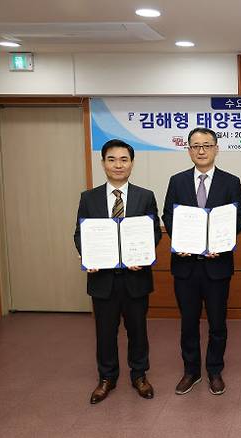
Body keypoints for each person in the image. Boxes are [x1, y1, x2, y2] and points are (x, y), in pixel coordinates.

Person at [74, 139, 162, 404]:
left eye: (124, 159)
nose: (118, 165)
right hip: (102, 279)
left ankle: (139, 375)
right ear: (103, 164)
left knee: (138, 330)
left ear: (131, 163)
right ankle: (107, 378)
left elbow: (153, 232)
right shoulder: (88, 198)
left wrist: (143, 255)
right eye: (112, 159)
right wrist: (87, 254)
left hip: (136, 277)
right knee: (105, 331)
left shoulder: (145, 196)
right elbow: (80, 233)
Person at [162, 127, 241, 396]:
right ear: (188, 150)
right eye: (196, 146)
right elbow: (168, 215)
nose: (201, 150)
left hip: (217, 265)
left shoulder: (231, 181)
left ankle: (214, 370)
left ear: (216, 148)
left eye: (207, 145)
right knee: (188, 322)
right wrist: (182, 241)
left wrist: (220, 243)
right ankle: (191, 371)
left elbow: (240, 216)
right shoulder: (177, 181)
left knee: (217, 323)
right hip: (185, 266)